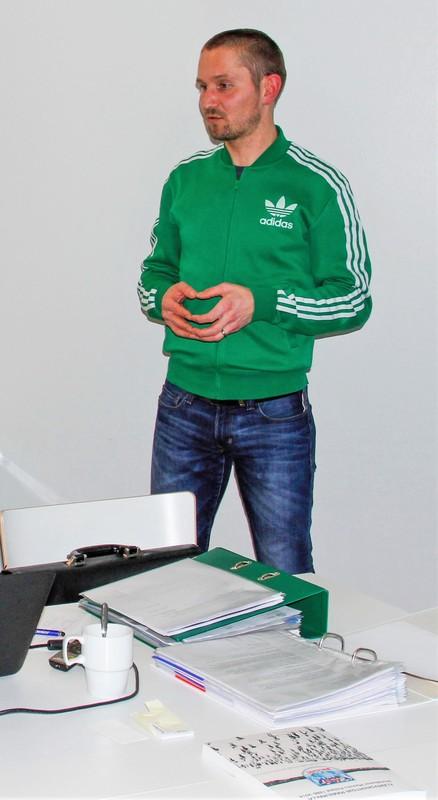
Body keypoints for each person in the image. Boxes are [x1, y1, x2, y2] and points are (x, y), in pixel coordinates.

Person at [137, 29, 372, 574]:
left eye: (224, 85)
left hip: (274, 412)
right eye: (202, 87)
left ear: (269, 88)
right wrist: (162, 299)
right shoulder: (186, 179)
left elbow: (353, 298)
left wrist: (261, 302)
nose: (208, 101)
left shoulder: (316, 184)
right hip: (183, 406)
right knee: (163, 572)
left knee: (285, 570)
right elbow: (155, 272)